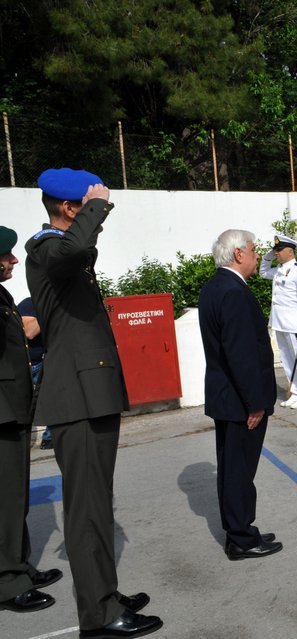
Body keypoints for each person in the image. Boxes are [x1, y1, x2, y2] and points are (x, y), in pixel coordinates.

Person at [24, 168, 161, 637]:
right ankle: (98, 616)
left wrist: (94, 210)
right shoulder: (44, 246)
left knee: (97, 503)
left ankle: (104, 592)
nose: (99, 213)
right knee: (85, 511)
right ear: (68, 208)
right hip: (77, 397)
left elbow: (81, 251)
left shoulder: (65, 253)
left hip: (90, 393)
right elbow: (76, 248)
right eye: (89, 205)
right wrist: (98, 205)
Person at [199, 229, 283, 562]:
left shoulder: (216, 286)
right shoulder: (232, 292)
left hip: (228, 397)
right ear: (238, 254)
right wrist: (255, 404)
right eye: (252, 250)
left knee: (235, 469)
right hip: (239, 401)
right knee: (238, 471)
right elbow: (241, 354)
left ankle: (242, 528)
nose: (255, 254)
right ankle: (240, 538)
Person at [0, 227, 62, 614]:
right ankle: (8, 582)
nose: (13, 260)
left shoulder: (3, 294)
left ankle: (19, 567)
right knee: (5, 499)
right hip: (1, 411)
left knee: (16, 495)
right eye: (6, 255)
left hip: (12, 409)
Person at [259, 234, 297, 409]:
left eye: (279, 250)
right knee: (288, 359)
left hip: (295, 325)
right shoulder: (278, 271)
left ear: (290, 252)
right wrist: (268, 255)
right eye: (275, 250)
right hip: (280, 323)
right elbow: (262, 272)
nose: (276, 253)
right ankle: (295, 391)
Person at [16, 297, 48, 447]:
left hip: (41, 362)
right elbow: (30, 332)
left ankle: (50, 438)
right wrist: (50, 313)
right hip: (33, 365)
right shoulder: (30, 304)